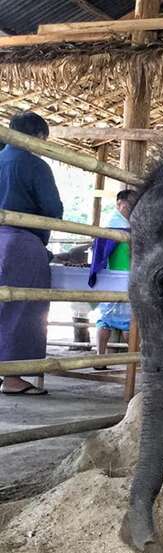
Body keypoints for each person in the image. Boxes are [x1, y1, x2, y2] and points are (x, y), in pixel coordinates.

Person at [0, 112, 63, 395]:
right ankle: (13, 378)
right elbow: (52, 209)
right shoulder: (34, 165)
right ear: (37, 137)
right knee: (24, 309)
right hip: (21, 242)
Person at [93, 190, 136, 367]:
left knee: (106, 318)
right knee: (127, 321)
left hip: (110, 276)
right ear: (121, 203)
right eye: (130, 203)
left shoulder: (114, 225)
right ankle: (133, 360)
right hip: (122, 275)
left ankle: (99, 357)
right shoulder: (120, 225)